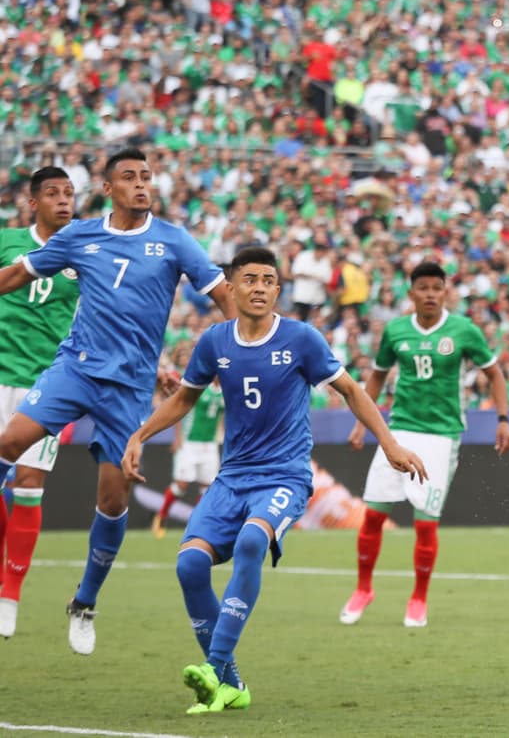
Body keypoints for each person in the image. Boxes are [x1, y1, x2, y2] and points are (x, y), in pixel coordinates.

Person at [121, 246, 427, 715]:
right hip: (232, 477)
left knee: (249, 543)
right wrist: (140, 434)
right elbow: (184, 399)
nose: (260, 287)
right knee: (188, 568)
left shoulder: (302, 338)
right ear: (232, 287)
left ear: (278, 290)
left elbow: (350, 390)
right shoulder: (214, 342)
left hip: (284, 475)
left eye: (268, 280)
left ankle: (214, 664)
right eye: (250, 279)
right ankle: (232, 685)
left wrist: (388, 443)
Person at [0, 147, 237, 654]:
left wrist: (252, 342)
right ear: (108, 188)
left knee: (113, 499)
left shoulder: (174, 241)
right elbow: (19, 275)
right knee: (10, 442)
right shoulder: (79, 236)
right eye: (129, 177)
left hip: (129, 390)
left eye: (146, 176)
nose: (141, 184)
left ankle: (84, 602)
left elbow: (223, 295)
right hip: (75, 369)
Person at [340, 261, 509, 628]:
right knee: (372, 515)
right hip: (399, 430)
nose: (431, 294)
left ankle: (418, 597)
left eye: (438, 287)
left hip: (442, 435)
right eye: (424, 288)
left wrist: (502, 419)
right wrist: (361, 424)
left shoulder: (464, 330)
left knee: (424, 525)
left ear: (446, 291)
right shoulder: (396, 330)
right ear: (412, 293)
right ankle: (363, 589)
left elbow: (494, 374)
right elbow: (376, 378)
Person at [0, 167, 78, 638]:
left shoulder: (86, 251)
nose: (63, 200)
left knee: (29, 481)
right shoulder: (7, 240)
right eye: (53, 193)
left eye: (70, 193)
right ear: (34, 202)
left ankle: (10, 594)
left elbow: (107, 316)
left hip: (45, 386)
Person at [151, 342, 224, 539]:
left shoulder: (225, 391)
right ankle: (162, 515)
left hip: (209, 444)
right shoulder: (201, 387)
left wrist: (222, 435)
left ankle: (197, 525)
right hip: (190, 441)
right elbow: (180, 407)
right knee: (181, 485)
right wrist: (178, 437)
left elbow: (224, 416)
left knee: (207, 487)